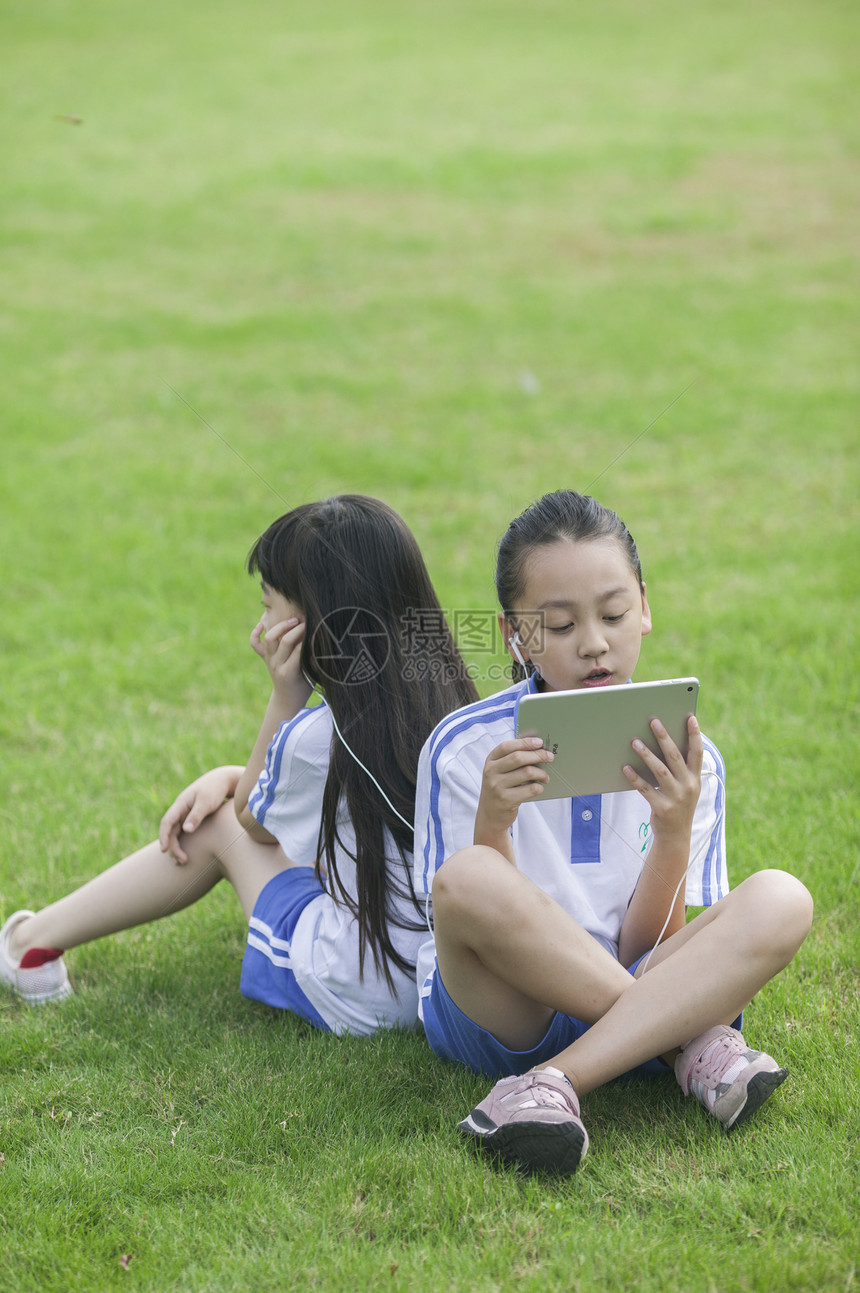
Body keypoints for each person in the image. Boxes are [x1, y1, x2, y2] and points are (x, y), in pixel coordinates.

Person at [413, 490, 813, 1174]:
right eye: (561, 625)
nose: (595, 642)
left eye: (614, 613)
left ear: (645, 607)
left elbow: (644, 946)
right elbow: (473, 920)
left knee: (783, 897)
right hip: (508, 1009)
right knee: (470, 875)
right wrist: (495, 819)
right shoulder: (465, 746)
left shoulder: (692, 756)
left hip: (636, 975)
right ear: (516, 637)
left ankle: (548, 1087)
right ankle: (683, 1047)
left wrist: (673, 831)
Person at [0, 495, 478, 1035]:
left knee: (213, 822)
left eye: (268, 603)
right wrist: (230, 777)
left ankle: (28, 945)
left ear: (306, 623)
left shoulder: (316, 735)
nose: (261, 621)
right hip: (448, 981)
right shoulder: (460, 709)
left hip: (361, 991)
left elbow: (254, 823)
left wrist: (284, 696)